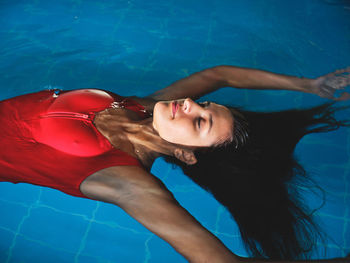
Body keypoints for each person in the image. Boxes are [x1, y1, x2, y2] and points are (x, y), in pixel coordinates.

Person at [0, 65, 349, 263]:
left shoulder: (130, 183)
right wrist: (308, 84)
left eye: (200, 123)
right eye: (205, 105)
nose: (189, 105)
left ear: (186, 154)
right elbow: (221, 74)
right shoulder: (145, 107)